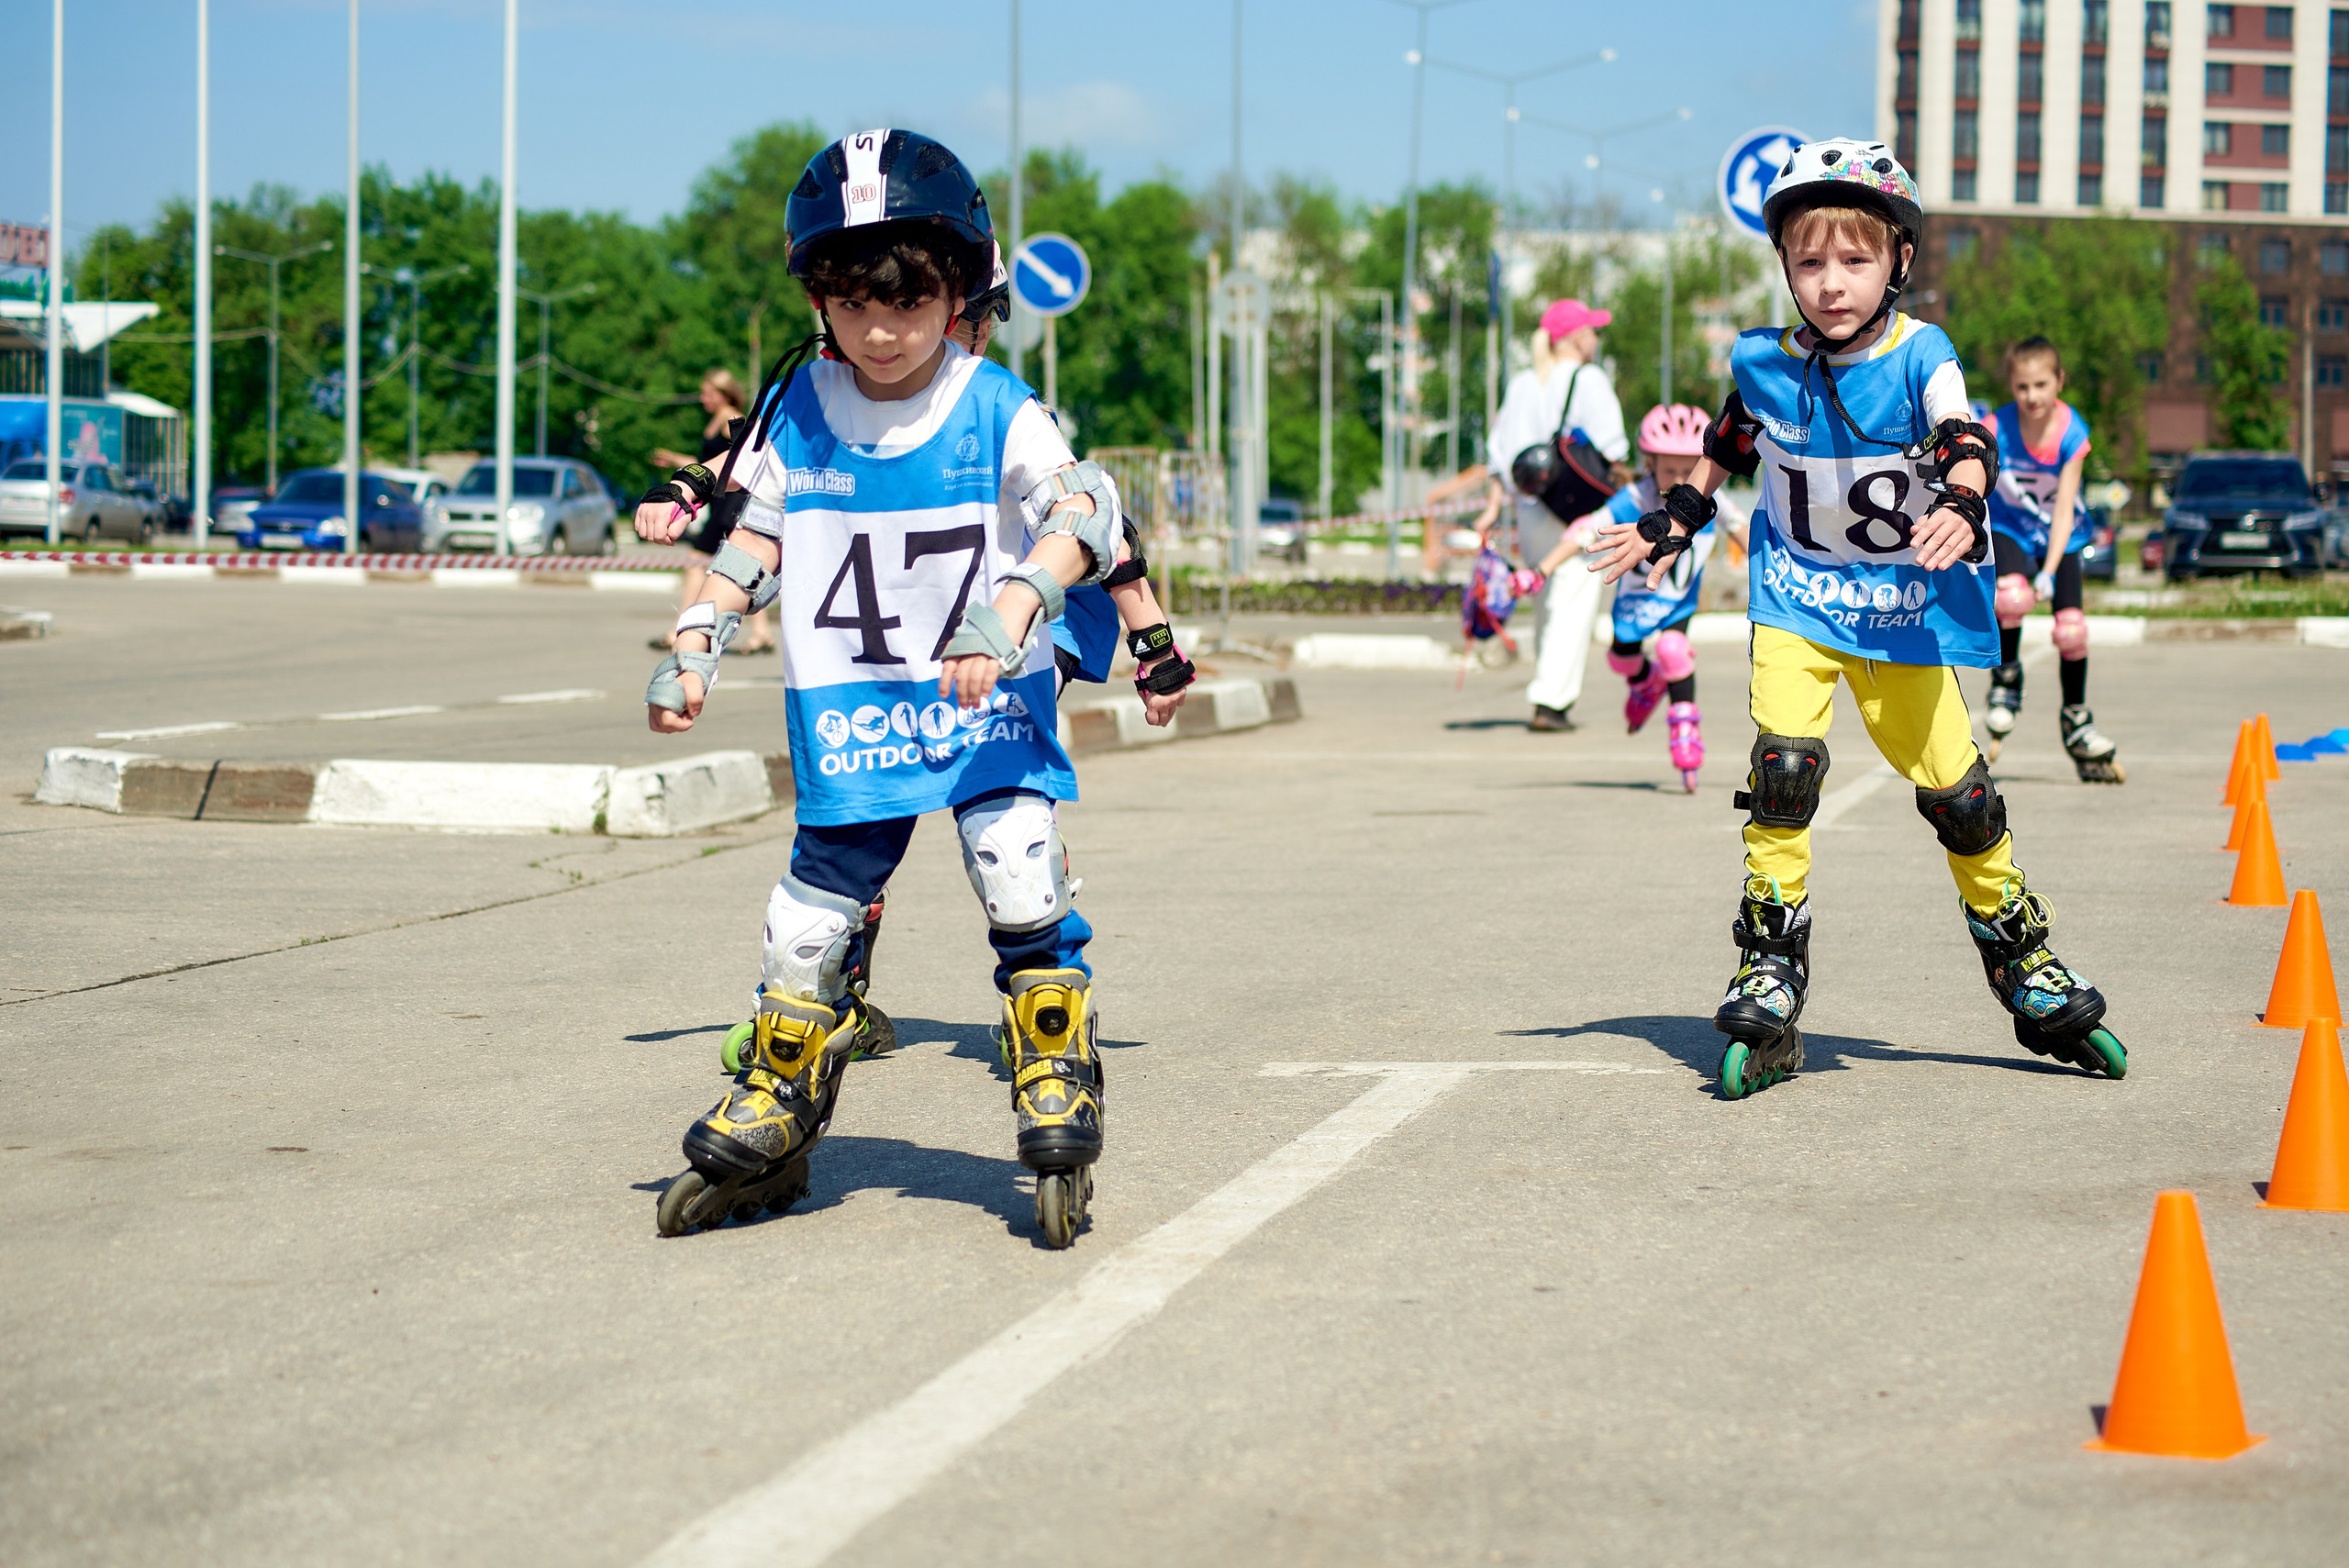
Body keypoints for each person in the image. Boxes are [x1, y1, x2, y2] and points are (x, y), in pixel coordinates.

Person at [632, 128, 1117, 1248]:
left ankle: (1056, 1071)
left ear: (959, 291)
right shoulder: (800, 406)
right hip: (853, 712)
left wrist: (1012, 607)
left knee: (1018, 879)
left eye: (907, 301)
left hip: (986, 702)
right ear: (819, 300)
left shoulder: (997, 403)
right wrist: (701, 634)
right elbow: (754, 535)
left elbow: (1085, 512)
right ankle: (781, 1092)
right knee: (806, 926)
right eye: (851, 304)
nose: (880, 330)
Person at [1590, 137, 2124, 1098]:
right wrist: (1668, 521)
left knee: (1962, 799)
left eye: (1855, 259)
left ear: (1898, 261)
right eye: (1808, 261)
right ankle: (1770, 960)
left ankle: (2022, 957)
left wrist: (1963, 501)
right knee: (1782, 772)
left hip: (1900, 613)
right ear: (1784, 268)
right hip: (1797, 602)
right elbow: (1719, 454)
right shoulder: (1761, 362)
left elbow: (1964, 434)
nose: (1831, 283)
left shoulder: (1921, 352)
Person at [1586, 404, 1749, 793]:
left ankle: (1686, 735)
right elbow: (1589, 527)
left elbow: (1738, 526)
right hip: (1636, 598)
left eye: (1687, 469)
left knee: (1674, 649)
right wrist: (1542, 567)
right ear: (1649, 463)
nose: (1679, 481)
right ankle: (1646, 682)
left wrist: (1768, 568)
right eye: (1668, 471)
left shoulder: (1708, 495)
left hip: (1677, 598)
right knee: (1620, 659)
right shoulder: (1636, 495)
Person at [1486, 297, 1629, 730]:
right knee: (1574, 597)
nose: (1596, 339)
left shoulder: (1524, 383)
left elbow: (1500, 455)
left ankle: (1546, 684)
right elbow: (1614, 449)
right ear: (1576, 337)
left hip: (1531, 507)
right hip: (1578, 508)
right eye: (1592, 331)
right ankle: (1550, 700)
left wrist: (1493, 507)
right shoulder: (1589, 379)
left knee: (1547, 594)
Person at [1984, 338, 2122, 782]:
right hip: (2010, 530)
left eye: (2042, 384)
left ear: (2059, 381)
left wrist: (2048, 570)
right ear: (2012, 385)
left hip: (2061, 537)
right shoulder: (1996, 426)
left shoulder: (2071, 433)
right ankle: (2006, 683)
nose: (2032, 396)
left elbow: (2065, 507)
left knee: (2072, 629)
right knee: (2010, 597)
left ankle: (2076, 719)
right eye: (2023, 387)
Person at [650, 370, 775, 653]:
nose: (703, 398)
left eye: (708, 393)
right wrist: (673, 459)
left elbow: (745, 456)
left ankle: (679, 630)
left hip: (731, 504)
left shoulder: (732, 418)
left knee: (700, 561)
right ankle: (762, 633)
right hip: (720, 502)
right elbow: (708, 462)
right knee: (744, 566)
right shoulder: (716, 420)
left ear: (724, 394)